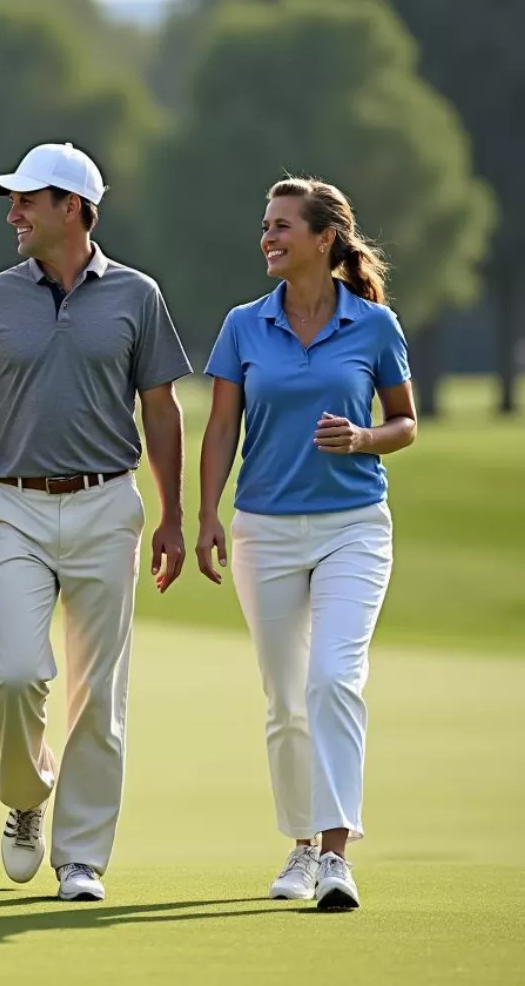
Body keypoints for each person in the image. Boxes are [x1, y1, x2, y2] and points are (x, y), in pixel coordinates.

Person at [0, 142, 192, 902]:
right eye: (12, 201)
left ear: (75, 210)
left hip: (105, 504)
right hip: (14, 505)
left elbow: (160, 406)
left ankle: (81, 857)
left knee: (98, 693)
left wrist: (174, 517)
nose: (13, 213)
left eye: (27, 200)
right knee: (18, 674)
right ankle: (26, 793)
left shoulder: (137, 295)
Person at [195, 177, 416, 912]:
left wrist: (362, 439)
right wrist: (204, 516)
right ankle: (297, 846)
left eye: (283, 226)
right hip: (264, 530)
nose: (269, 237)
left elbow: (405, 423)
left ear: (325, 239)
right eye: (265, 226)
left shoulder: (375, 327)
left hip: (354, 525)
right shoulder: (243, 325)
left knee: (332, 678)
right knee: (286, 699)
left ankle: (334, 855)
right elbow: (222, 428)